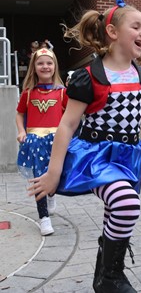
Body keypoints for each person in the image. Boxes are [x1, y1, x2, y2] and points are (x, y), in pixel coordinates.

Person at [28, 0, 141, 292]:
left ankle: (103, 276)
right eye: (136, 26)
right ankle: (111, 276)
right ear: (113, 32)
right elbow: (67, 125)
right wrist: (54, 172)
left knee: (115, 211)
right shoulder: (90, 76)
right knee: (127, 205)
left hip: (128, 156)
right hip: (96, 156)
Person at [16, 48, 68, 236]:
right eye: (40, 63)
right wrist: (22, 131)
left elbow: (72, 117)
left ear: (55, 67)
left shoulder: (63, 93)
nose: (45, 66)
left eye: (49, 63)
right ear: (34, 67)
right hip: (35, 141)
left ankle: (52, 195)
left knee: (55, 174)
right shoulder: (28, 93)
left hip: (57, 141)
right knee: (39, 177)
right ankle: (43, 217)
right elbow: (20, 113)